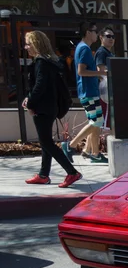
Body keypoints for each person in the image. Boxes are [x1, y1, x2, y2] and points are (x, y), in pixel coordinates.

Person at [22, 31, 82, 188]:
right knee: (45, 141)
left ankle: (72, 172)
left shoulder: (41, 62)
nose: (26, 47)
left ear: (36, 44)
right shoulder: (49, 62)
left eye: (28, 43)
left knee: (46, 142)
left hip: (43, 108)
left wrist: (30, 103)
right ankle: (43, 174)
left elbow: (39, 86)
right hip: (50, 107)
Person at [61, 21, 108, 163]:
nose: (97, 34)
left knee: (96, 122)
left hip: (89, 91)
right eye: (95, 31)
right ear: (88, 32)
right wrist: (100, 73)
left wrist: (100, 75)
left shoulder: (83, 48)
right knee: (96, 121)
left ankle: (94, 153)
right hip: (88, 92)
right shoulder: (84, 49)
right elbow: (81, 71)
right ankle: (70, 145)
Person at [81, 25, 115, 158]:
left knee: (96, 123)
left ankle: (86, 150)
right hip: (104, 92)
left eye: (113, 36)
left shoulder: (108, 52)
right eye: (108, 36)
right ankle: (76, 145)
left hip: (104, 91)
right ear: (101, 37)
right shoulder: (102, 52)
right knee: (98, 123)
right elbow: (101, 72)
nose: (111, 39)